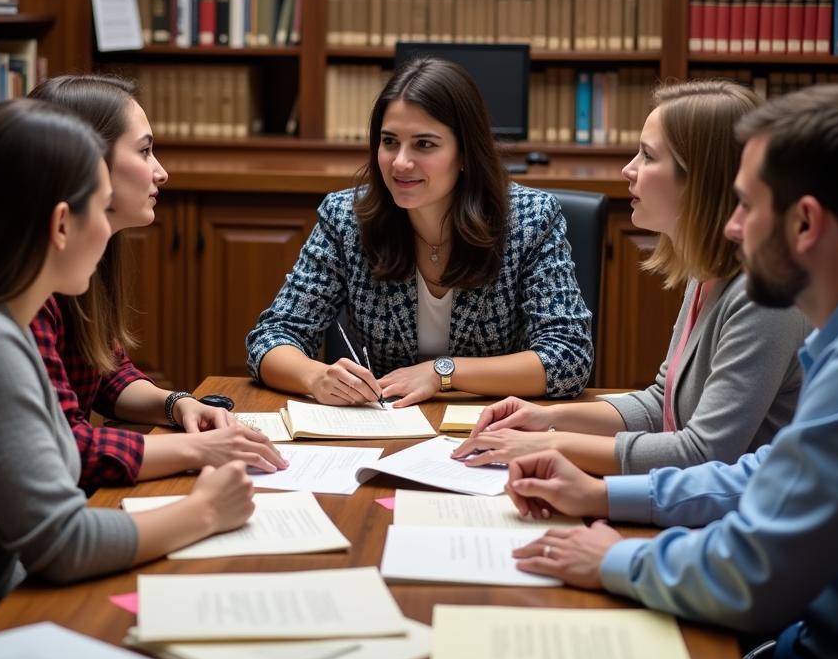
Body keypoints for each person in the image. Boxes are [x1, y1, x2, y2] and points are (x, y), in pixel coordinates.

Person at [502, 84, 838, 659]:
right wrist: (606, 497)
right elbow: (767, 473)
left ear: (805, 223)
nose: (733, 226)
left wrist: (611, 558)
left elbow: (754, 571)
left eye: (745, 205)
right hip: (814, 653)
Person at [0, 100, 255, 659]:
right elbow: (62, 544)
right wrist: (205, 509)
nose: (108, 229)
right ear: (59, 225)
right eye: (102, 209)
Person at [454, 80, 808, 475]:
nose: (628, 169)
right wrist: (548, 416)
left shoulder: (763, 296)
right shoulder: (708, 271)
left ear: (700, 180)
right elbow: (662, 403)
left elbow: (703, 454)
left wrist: (549, 443)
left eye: (648, 156)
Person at [246, 57, 593, 406]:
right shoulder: (347, 219)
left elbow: (569, 356)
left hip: (491, 427)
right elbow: (272, 336)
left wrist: (443, 372)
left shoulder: (528, 220)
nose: (400, 162)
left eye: (424, 144)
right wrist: (316, 376)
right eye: (390, 141)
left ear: (465, 153)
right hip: (383, 428)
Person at [28, 75, 286, 489]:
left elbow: (105, 373)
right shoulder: (28, 289)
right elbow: (66, 451)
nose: (161, 172)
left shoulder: (80, 258)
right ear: (83, 163)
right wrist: (204, 450)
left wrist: (176, 404)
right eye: (145, 151)